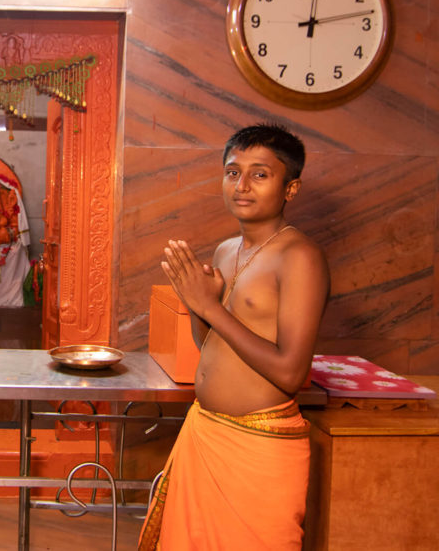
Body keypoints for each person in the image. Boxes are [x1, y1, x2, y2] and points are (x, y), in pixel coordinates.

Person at [138, 123, 330, 550]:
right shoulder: (227, 250)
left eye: (260, 174)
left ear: (290, 188)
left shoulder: (300, 257)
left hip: (259, 449)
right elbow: (209, 344)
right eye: (232, 172)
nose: (241, 185)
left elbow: (290, 371)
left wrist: (209, 307)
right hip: (206, 432)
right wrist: (197, 303)